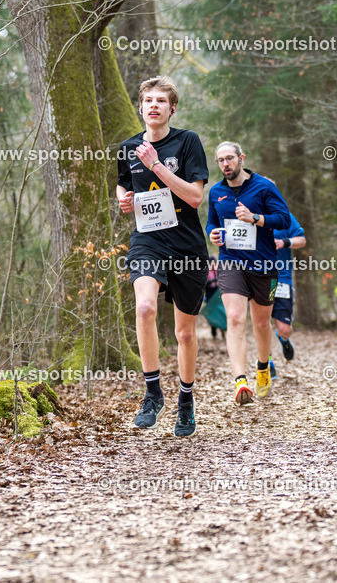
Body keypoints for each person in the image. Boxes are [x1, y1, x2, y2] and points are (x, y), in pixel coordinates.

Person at [117, 76, 209, 437]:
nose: (153, 106)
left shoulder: (187, 142)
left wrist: (157, 165)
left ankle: (186, 401)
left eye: (161, 101)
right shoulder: (127, 148)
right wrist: (122, 199)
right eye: (148, 101)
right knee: (144, 308)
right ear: (141, 108)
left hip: (187, 245)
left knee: (184, 333)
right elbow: (125, 185)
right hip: (147, 241)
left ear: (172, 108)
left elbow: (195, 197)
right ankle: (153, 392)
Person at [206, 142, 291, 404]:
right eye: (220, 160)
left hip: (264, 264)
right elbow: (212, 221)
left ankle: (263, 367)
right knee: (234, 318)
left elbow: (284, 220)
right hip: (231, 262)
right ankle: (240, 381)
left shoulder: (264, 186)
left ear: (241, 158)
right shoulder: (216, 191)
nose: (225, 164)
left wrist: (256, 218)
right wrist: (213, 233)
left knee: (262, 323)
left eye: (229, 158)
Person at [269, 213, 306, 375]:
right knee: (262, 324)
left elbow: (301, 240)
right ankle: (266, 363)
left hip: (282, 279)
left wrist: (285, 242)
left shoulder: (284, 216)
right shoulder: (248, 216)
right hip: (257, 277)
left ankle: (283, 339)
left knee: (284, 328)